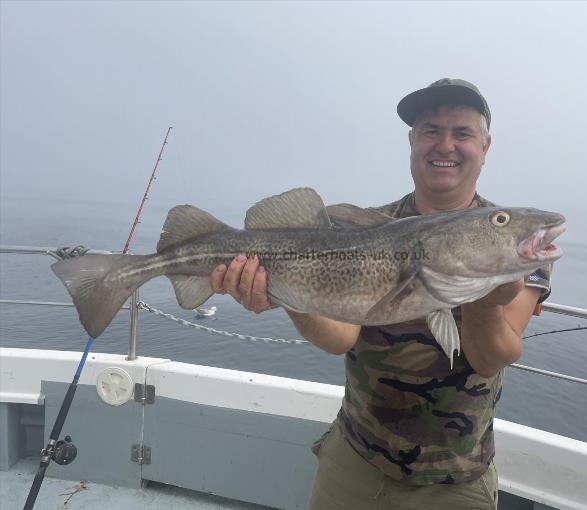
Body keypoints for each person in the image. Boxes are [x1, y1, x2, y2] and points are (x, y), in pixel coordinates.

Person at [210, 78, 551, 510]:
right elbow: (340, 338)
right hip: (355, 459)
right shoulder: (362, 229)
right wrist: (283, 293)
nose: (445, 144)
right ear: (412, 142)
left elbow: (491, 357)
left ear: (485, 147)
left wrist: (485, 299)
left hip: (456, 479)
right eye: (431, 130)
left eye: (462, 133)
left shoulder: (516, 244)